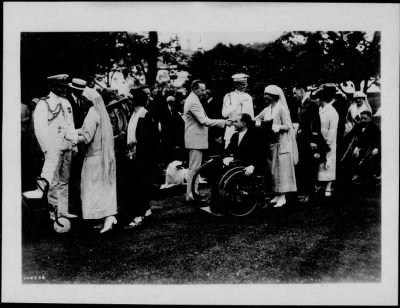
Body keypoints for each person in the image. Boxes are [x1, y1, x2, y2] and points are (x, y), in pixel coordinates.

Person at [65, 88, 118, 233]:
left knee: (93, 189)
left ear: (85, 101)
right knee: (102, 188)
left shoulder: (91, 114)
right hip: (100, 156)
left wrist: (68, 135)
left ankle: (108, 216)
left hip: (94, 159)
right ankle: (105, 217)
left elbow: (86, 137)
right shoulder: (99, 112)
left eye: (82, 100)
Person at [29, 74, 77, 219]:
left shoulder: (66, 102)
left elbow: (71, 125)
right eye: (60, 86)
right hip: (53, 149)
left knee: (64, 180)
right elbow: (40, 129)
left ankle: (63, 210)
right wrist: (47, 149)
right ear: (51, 87)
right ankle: (54, 213)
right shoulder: (43, 104)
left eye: (64, 86)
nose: (64, 89)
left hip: (67, 146)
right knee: (54, 182)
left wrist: (73, 144)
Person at [184, 80, 231, 202]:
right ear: (194, 88)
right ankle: (191, 194)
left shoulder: (193, 99)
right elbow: (204, 121)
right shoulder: (193, 101)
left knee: (195, 168)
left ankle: (193, 193)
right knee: (194, 168)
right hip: (195, 139)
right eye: (202, 90)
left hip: (195, 138)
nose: (204, 92)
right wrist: (224, 122)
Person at [255, 85, 298, 208]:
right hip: (272, 143)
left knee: (282, 170)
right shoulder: (267, 109)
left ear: (273, 96)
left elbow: (288, 126)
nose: (265, 97)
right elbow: (257, 118)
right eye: (264, 95)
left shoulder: (282, 109)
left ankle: (283, 196)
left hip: (282, 143)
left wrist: (278, 127)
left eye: (267, 95)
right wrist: (261, 125)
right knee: (274, 171)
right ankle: (276, 194)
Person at [122, 88, 160, 228]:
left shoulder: (144, 115)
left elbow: (148, 139)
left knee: (138, 185)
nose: (129, 100)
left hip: (142, 157)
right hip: (134, 155)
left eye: (131, 98)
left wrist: (135, 144)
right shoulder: (135, 114)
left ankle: (139, 215)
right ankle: (145, 210)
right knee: (138, 184)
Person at [292, 86, 322, 203]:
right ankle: (304, 192)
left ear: (302, 91)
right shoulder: (300, 104)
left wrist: (314, 140)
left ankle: (309, 194)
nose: (294, 96)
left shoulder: (312, 104)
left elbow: (316, 122)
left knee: (310, 167)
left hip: (310, 140)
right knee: (303, 166)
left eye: (295, 93)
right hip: (302, 139)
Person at [66, 78, 90, 215]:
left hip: (81, 142)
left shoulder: (84, 101)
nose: (80, 92)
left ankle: (78, 203)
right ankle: (73, 204)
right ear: (73, 89)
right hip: (71, 141)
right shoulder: (67, 101)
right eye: (78, 90)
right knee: (71, 174)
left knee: (79, 173)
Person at [313, 84, 339, 197]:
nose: (317, 100)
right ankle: (319, 185)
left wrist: (328, 143)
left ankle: (328, 186)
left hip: (329, 141)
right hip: (320, 140)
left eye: (318, 98)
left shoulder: (332, 112)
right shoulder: (320, 109)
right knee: (319, 162)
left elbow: (332, 129)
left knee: (329, 163)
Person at [341, 110, 380, 184]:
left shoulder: (375, 128)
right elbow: (349, 136)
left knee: (368, 158)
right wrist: (348, 144)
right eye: (361, 118)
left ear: (370, 118)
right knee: (350, 155)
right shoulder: (358, 126)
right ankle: (350, 175)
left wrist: (377, 148)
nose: (363, 120)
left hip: (370, 148)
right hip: (359, 147)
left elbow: (378, 140)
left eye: (365, 118)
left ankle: (364, 176)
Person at [222, 73, 254, 147]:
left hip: (245, 130)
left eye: (245, 84)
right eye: (242, 84)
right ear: (236, 85)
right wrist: (236, 104)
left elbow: (251, 115)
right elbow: (224, 114)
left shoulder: (248, 97)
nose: (245, 86)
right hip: (232, 128)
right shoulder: (229, 96)